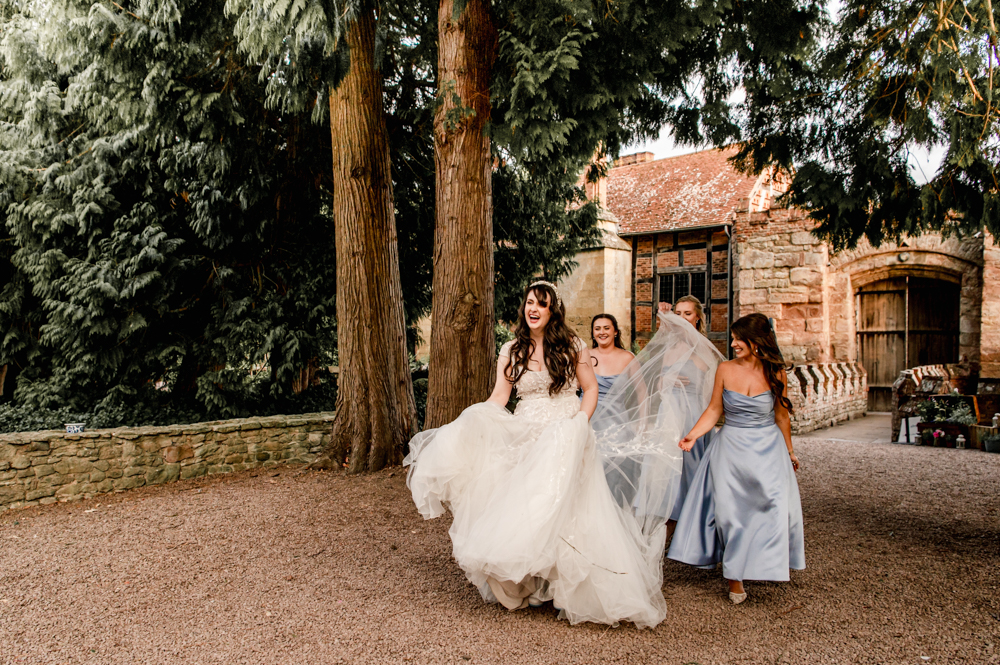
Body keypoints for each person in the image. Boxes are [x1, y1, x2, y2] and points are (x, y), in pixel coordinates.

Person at [404, 281, 669, 628]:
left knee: (567, 506)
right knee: (529, 505)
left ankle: (566, 588)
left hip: (565, 430)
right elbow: (500, 396)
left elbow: (590, 390)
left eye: (541, 305)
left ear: (552, 311)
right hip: (526, 431)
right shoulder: (511, 348)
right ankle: (528, 581)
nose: (533, 309)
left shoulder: (572, 345)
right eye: (529, 302)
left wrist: (578, 424)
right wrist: (475, 417)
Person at [667, 313, 805, 604]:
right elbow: (714, 410)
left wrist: (790, 451)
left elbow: (782, 416)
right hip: (731, 448)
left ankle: (766, 563)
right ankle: (735, 578)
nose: (733, 344)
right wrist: (693, 434)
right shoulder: (725, 369)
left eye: (738, 339)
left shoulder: (776, 373)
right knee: (731, 515)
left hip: (768, 448)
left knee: (773, 507)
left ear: (757, 342)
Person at [656, 297, 719, 541]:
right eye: (678, 313)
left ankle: (694, 528)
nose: (682, 318)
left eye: (687, 314)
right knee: (667, 468)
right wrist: (665, 382)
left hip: (692, 413)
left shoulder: (704, 348)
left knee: (690, 469)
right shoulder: (669, 348)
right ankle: (670, 522)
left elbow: (710, 388)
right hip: (668, 413)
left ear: (697, 318)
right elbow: (659, 383)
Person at [589, 313, 634, 405]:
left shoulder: (627, 358)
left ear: (615, 332)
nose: (602, 332)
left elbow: (641, 392)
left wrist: (642, 419)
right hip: (587, 416)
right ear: (593, 333)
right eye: (597, 329)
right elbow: (573, 387)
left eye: (606, 328)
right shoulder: (585, 356)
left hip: (616, 416)